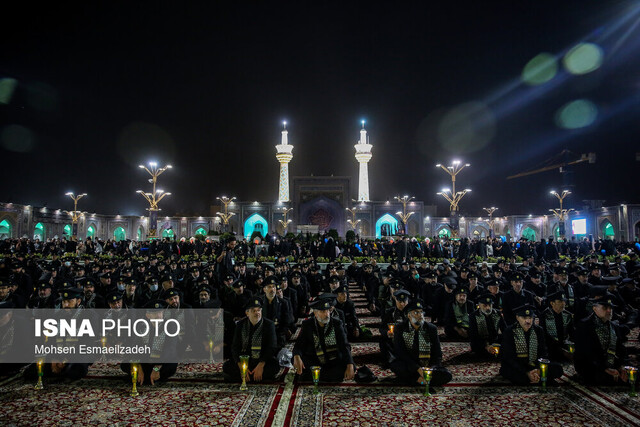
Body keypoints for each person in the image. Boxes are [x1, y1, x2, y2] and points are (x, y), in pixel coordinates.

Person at [391, 299, 452, 387]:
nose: (420, 315)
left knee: (447, 375)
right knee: (396, 366)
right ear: (409, 315)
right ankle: (421, 381)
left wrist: (430, 369)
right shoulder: (400, 328)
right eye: (416, 313)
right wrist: (417, 369)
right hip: (410, 365)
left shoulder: (431, 328)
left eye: (421, 312)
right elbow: (400, 352)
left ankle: (417, 381)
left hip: (427, 364)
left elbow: (437, 353)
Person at [293, 297, 355, 383]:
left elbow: (345, 345)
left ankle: (316, 376)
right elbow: (299, 345)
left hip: (333, 360)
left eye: (327, 311)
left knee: (350, 365)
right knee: (300, 362)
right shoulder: (307, 324)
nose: (327, 314)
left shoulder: (337, 323)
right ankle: (324, 376)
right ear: (315, 313)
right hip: (314, 359)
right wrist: (297, 357)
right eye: (323, 311)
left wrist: (350, 364)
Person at [500, 304, 563, 386]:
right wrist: (526, 372)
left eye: (530, 318)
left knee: (558, 369)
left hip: (535, 365)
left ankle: (534, 377)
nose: (528, 321)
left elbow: (543, 353)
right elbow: (509, 358)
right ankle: (538, 378)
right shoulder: (509, 331)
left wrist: (537, 370)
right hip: (519, 367)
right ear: (517, 318)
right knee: (507, 371)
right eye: (524, 318)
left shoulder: (538, 330)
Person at [574, 294, 629, 386]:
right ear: (595, 308)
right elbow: (586, 352)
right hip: (592, 364)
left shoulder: (614, 326)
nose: (609, 311)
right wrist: (604, 368)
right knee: (604, 379)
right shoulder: (584, 325)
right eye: (605, 308)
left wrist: (622, 366)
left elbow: (621, 348)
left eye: (611, 308)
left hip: (610, 363)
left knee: (632, 374)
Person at [223, 298, 280, 382]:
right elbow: (235, 347)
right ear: (247, 313)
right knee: (227, 366)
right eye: (253, 311)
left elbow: (272, 347)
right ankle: (252, 376)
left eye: (259, 310)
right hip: (245, 360)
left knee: (274, 367)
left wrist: (261, 365)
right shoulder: (240, 325)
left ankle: (248, 377)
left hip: (262, 360)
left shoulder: (269, 325)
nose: (257, 313)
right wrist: (241, 366)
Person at [540, 291, 574, 362]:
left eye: (564, 301)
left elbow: (572, 332)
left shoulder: (567, 315)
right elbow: (544, 336)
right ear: (552, 303)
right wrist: (561, 350)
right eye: (560, 301)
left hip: (565, 345)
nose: (563, 304)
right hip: (550, 348)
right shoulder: (544, 315)